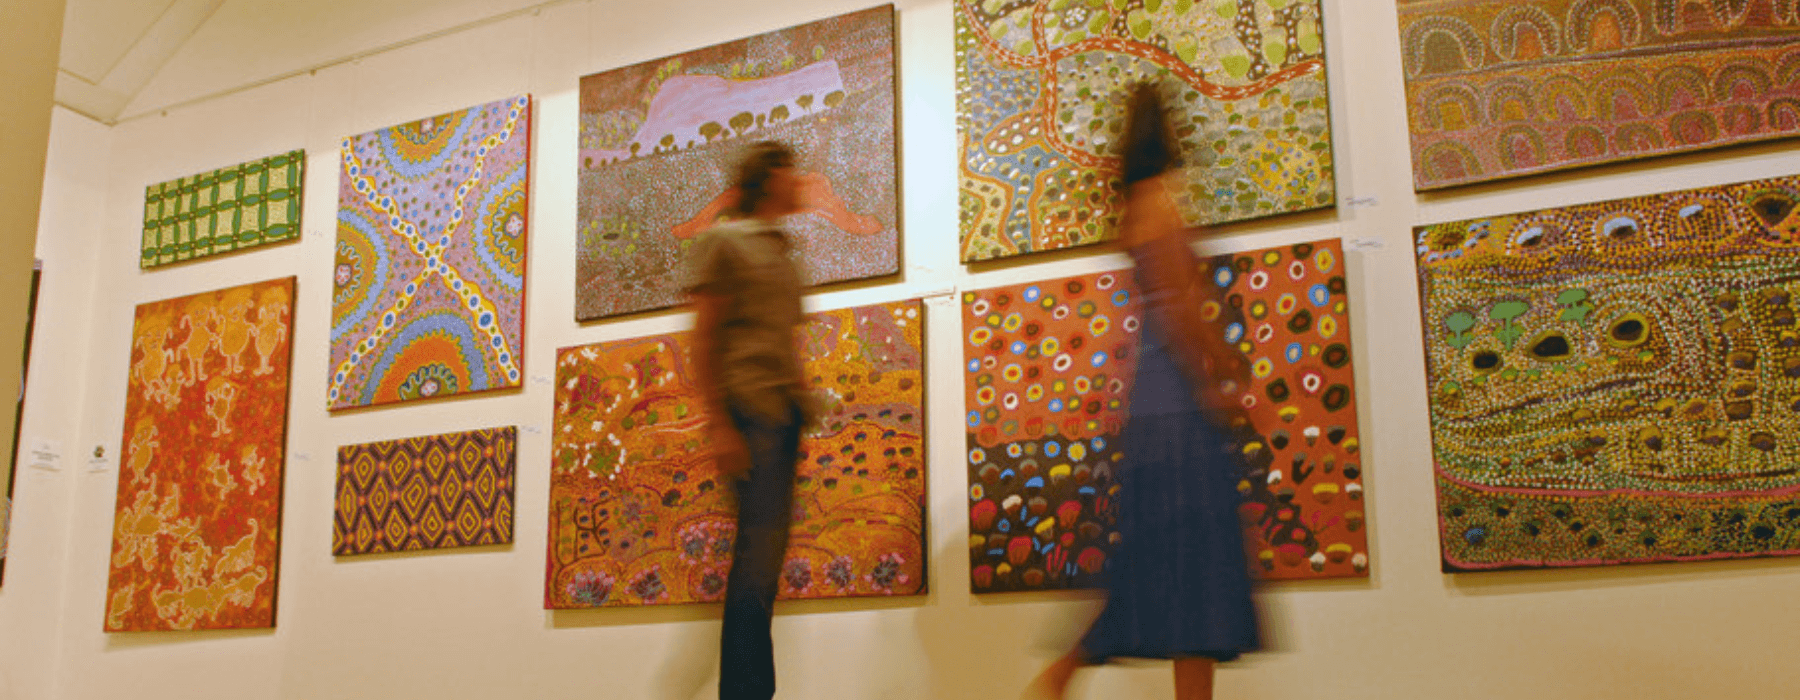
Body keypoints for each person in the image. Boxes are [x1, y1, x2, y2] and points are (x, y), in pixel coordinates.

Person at [1025, 83, 1264, 700]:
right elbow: (1185, 308)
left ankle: (1059, 678)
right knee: (1190, 561)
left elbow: (1186, 304)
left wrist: (1221, 362)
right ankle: (1057, 678)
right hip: (1175, 401)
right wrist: (1217, 378)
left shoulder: (1141, 204)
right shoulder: (1157, 204)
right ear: (1168, 134)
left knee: (1179, 562)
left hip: (1160, 396)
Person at [683, 140, 812, 700]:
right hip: (748, 413)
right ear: (769, 177)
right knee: (756, 566)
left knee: (766, 565)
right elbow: (704, 335)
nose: (800, 179)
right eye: (791, 170)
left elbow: (783, 338)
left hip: (783, 420)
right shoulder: (724, 243)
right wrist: (718, 424)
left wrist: (805, 399)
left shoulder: (784, 250)